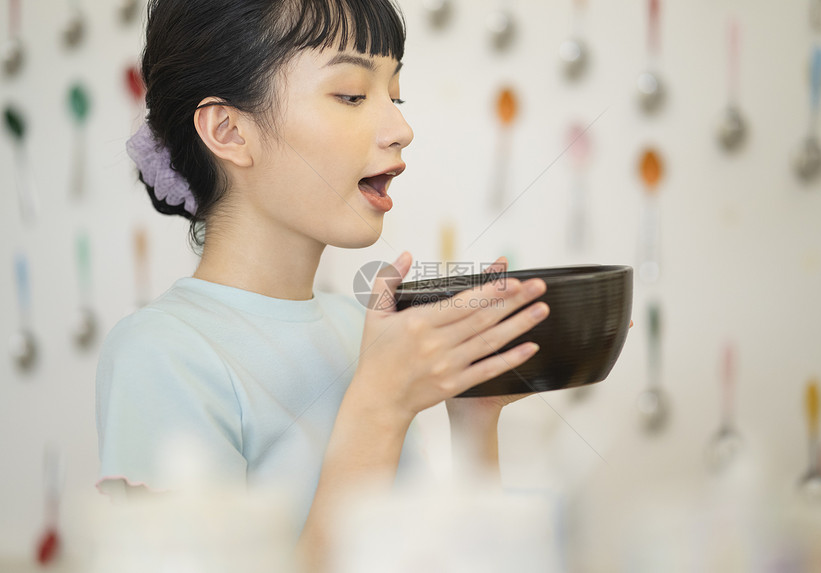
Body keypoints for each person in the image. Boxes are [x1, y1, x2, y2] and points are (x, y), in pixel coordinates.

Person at [95, 0, 550, 570]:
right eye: (353, 95)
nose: (402, 129)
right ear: (229, 130)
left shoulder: (359, 330)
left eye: (396, 95)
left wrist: (475, 415)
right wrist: (379, 409)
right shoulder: (161, 356)